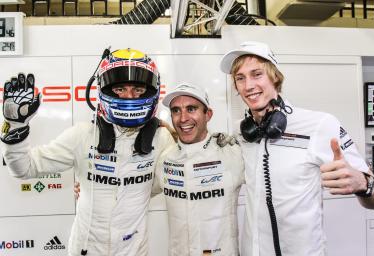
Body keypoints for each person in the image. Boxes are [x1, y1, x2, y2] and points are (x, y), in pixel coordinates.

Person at [0, 48, 175, 256]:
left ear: (150, 92)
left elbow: (170, 179)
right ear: (106, 90)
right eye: (120, 89)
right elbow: (25, 169)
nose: (129, 96)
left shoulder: (162, 139)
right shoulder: (83, 135)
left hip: (134, 251)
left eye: (137, 89)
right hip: (86, 250)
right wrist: (15, 127)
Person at [219, 41, 374, 256]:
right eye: (240, 78)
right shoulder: (243, 133)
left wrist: (363, 183)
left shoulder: (320, 124)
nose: (248, 85)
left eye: (257, 74)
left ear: (274, 77)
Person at [152, 83, 244, 256]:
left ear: (208, 114)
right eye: (176, 110)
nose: (183, 118)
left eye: (191, 109)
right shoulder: (164, 159)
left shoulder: (232, 153)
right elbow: (133, 190)